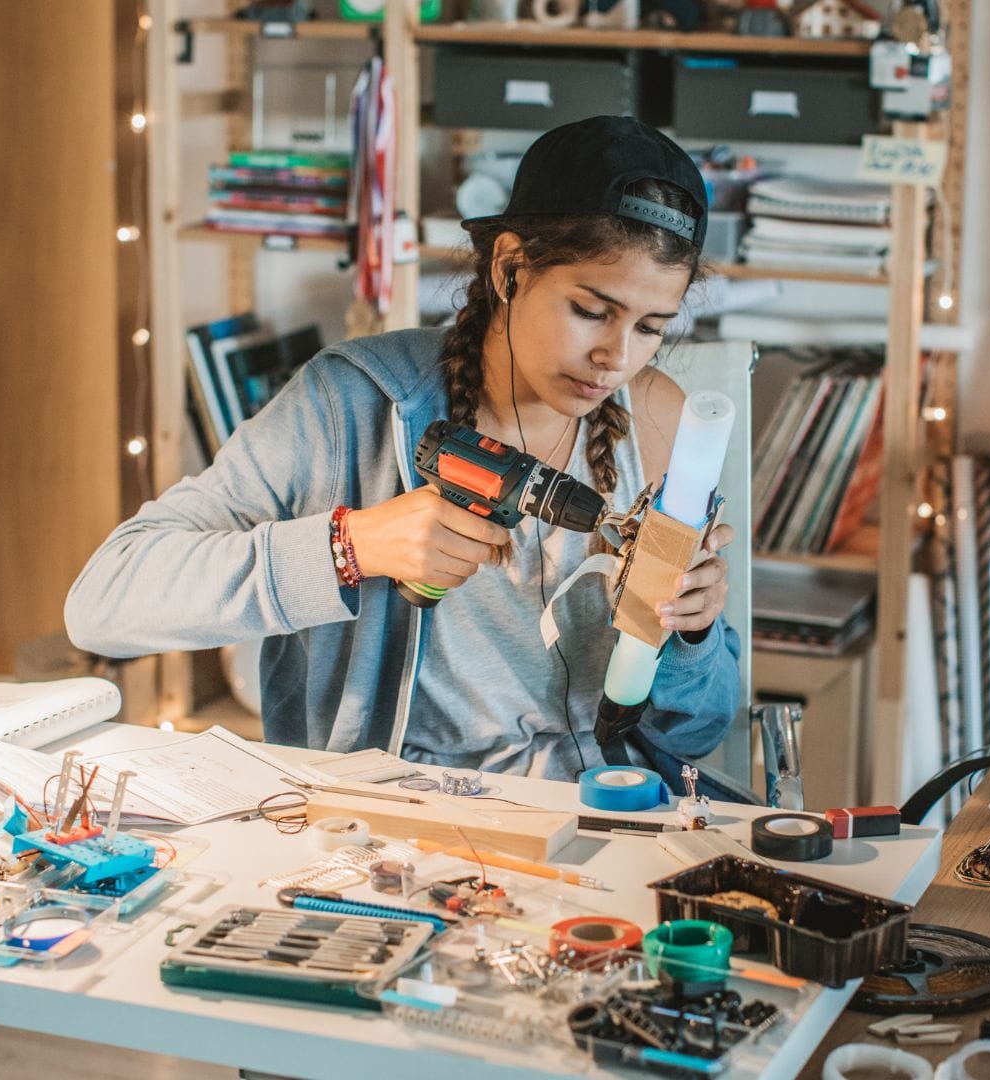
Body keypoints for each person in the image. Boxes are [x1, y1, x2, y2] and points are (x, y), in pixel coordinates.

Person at [66, 115, 741, 785]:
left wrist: (693, 636)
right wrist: (350, 548)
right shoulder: (349, 402)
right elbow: (102, 606)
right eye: (591, 311)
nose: (615, 358)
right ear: (510, 266)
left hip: (606, 807)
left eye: (651, 327)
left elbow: (698, 734)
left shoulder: (659, 421)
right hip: (402, 821)